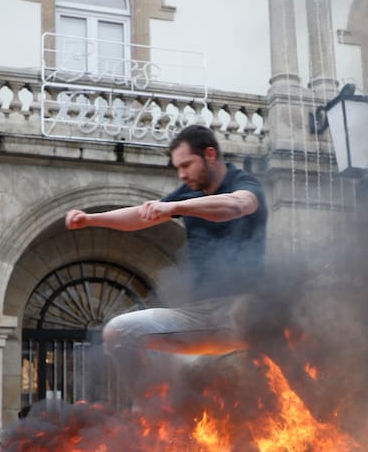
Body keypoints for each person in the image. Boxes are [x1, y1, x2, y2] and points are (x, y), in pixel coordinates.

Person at [65, 124, 267, 389]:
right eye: (178, 168)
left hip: (246, 311)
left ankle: (316, 404)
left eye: (186, 165)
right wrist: (91, 219)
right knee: (118, 332)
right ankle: (155, 412)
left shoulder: (244, 183)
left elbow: (237, 205)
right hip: (199, 317)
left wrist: (175, 206)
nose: (182, 175)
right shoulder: (188, 193)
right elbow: (141, 216)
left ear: (210, 154)